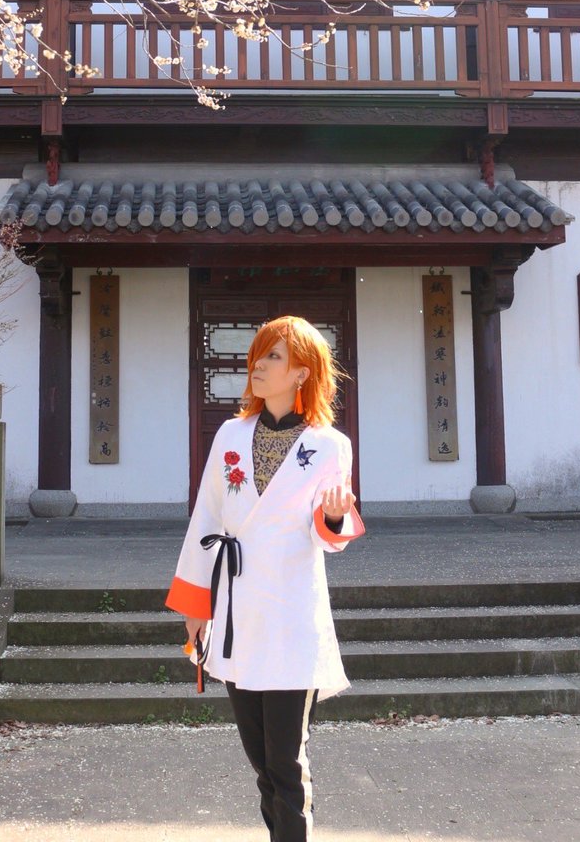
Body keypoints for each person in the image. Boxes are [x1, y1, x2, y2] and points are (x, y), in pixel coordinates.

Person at [165, 315, 365, 842]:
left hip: (292, 617)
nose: (257, 364)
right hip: (238, 616)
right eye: (258, 353)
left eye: (274, 356)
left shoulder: (329, 445)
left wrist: (336, 516)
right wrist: (195, 606)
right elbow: (207, 519)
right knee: (260, 761)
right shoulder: (230, 435)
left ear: (302, 372)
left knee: (286, 762)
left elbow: (328, 535)